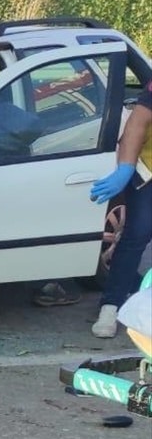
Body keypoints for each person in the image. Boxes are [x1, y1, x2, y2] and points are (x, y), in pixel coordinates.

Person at [90, 78, 152, 338]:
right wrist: (125, 168)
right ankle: (111, 305)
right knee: (138, 232)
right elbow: (137, 123)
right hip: (148, 167)